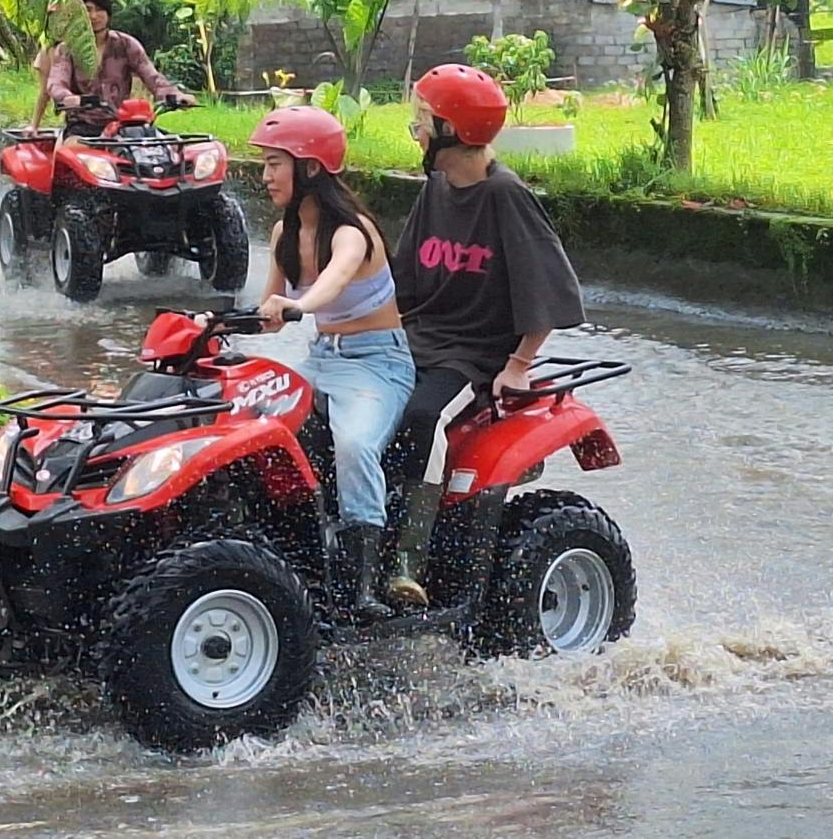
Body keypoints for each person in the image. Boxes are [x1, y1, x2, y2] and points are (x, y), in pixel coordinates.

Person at [384, 63, 586, 608]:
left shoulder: (506, 196)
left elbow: (545, 288)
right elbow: (403, 279)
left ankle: (405, 555)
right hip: (419, 335)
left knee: (422, 415)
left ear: (452, 131)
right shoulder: (437, 186)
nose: (417, 132)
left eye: (422, 121)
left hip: (471, 352)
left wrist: (518, 364)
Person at [249, 107, 412, 621]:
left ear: (311, 169)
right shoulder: (283, 234)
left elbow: (331, 284)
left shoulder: (352, 233)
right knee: (252, 427)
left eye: (277, 164)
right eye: (266, 164)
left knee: (355, 444)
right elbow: (267, 313)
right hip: (320, 358)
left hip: (377, 365)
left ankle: (361, 588)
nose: (266, 175)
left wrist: (297, 307)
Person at [30, 0, 193, 131]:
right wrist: (68, 98)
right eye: (87, 10)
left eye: (100, 9)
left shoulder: (126, 44)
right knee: (76, 154)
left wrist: (175, 96)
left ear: (108, 12)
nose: (94, 16)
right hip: (83, 128)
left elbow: (152, 77)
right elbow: (56, 84)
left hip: (122, 127)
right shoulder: (66, 49)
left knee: (163, 154)